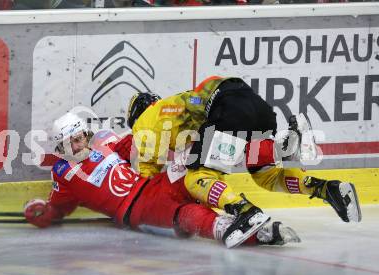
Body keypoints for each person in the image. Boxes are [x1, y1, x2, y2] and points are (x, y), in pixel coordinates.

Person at [24, 112, 301, 248]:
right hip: (137, 210)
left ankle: (275, 149)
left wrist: (156, 125)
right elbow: (56, 209)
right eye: (71, 141)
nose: (79, 143)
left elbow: (138, 141)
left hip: (154, 185)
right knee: (184, 216)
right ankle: (256, 233)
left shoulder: (103, 145)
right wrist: (41, 212)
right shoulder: (63, 173)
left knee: (197, 154)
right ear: (60, 147)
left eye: (80, 136)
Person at [127, 76, 362, 223]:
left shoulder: (145, 123)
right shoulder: (176, 106)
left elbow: (148, 180)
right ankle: (326, 188)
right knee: (265, 176)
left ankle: (245, 211)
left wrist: (141, 206)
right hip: (253, 105)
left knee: (197, 176)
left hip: (227, 109)